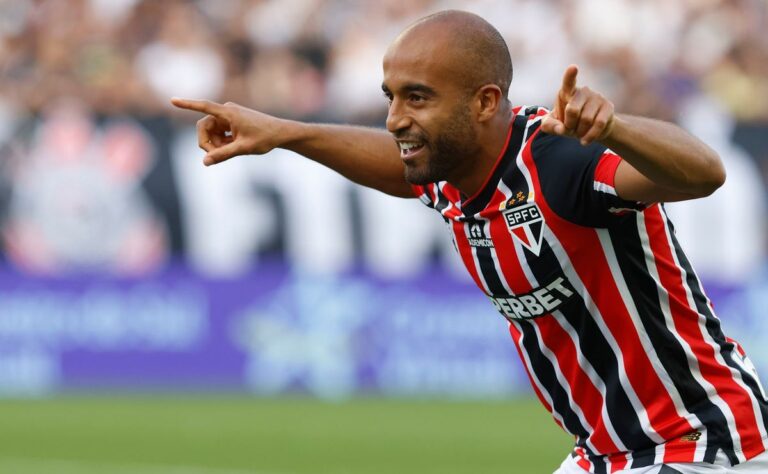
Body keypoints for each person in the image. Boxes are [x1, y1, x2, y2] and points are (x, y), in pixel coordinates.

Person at [171, 10, 768, 474]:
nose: (396, 118)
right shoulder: (452, 171)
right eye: (392, 96)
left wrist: (614, 129)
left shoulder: (559, 162)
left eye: (418, 97)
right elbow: (397, 170)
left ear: (484, 102)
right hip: (605, 452)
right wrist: (284, 131)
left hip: (702, 440)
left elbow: (703, 173)